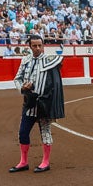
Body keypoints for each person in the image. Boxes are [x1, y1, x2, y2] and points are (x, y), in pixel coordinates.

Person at [10, 35, 64, 173]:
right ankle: (23, 162)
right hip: (29, 103)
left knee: (45, 132)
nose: (38, 48)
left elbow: (55, 83)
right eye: (34, 46)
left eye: (40, 45)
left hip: (43, 104)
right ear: (29, 46)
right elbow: (17, 78)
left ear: (43, 45)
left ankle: (45, 162)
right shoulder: (25, 60)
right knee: (23, 132)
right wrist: (22, 87)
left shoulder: (50, 61)